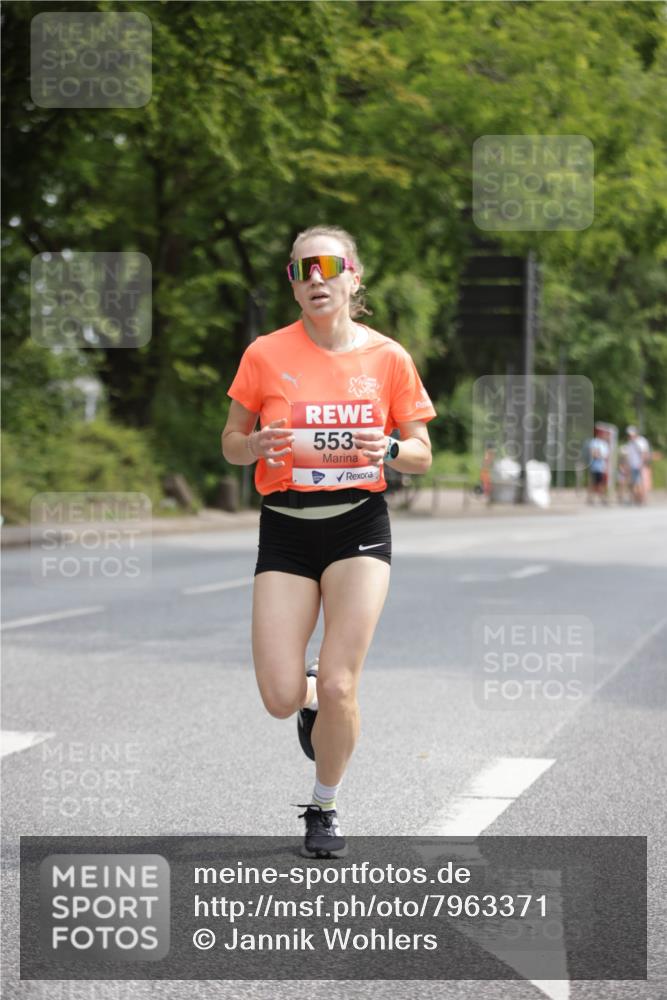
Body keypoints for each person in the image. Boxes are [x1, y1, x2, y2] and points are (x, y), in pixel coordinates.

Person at [221, 225, 436, 858]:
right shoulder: (264, 354)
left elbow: (422, 452)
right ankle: (308, 693)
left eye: (328, 266)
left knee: (344, 684)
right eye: (301, 269)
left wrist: (390, 448)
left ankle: (324, 805)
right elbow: (230, 443)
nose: (315, 278)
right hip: (285, 527)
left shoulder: (388, 358)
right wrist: (254, 444)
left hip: (358, 525)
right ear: (293, 285)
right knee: (280, 697)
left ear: (353, 277)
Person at [585, 430, 609, 505]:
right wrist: (599, 454)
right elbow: (594, 454)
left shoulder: (604, 444)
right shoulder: (594, 442)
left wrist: (599, 455)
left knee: (601, 483)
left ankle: (602, 498)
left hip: (602, 467)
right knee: (593, 483)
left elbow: (605, 456)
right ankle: (591, 498)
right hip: (594, 466)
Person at [625, 426, 646, 505]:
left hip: (638, 465)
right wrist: (627, 465)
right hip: (632, 465)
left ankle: (640, 499)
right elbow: (629, 455)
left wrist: (641, 464)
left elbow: (643, 453)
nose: (630, 436)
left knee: (638, 483)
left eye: (631, 435)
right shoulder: (630, 443)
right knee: (633, 483)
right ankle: (636, 499)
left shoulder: (640, 442)